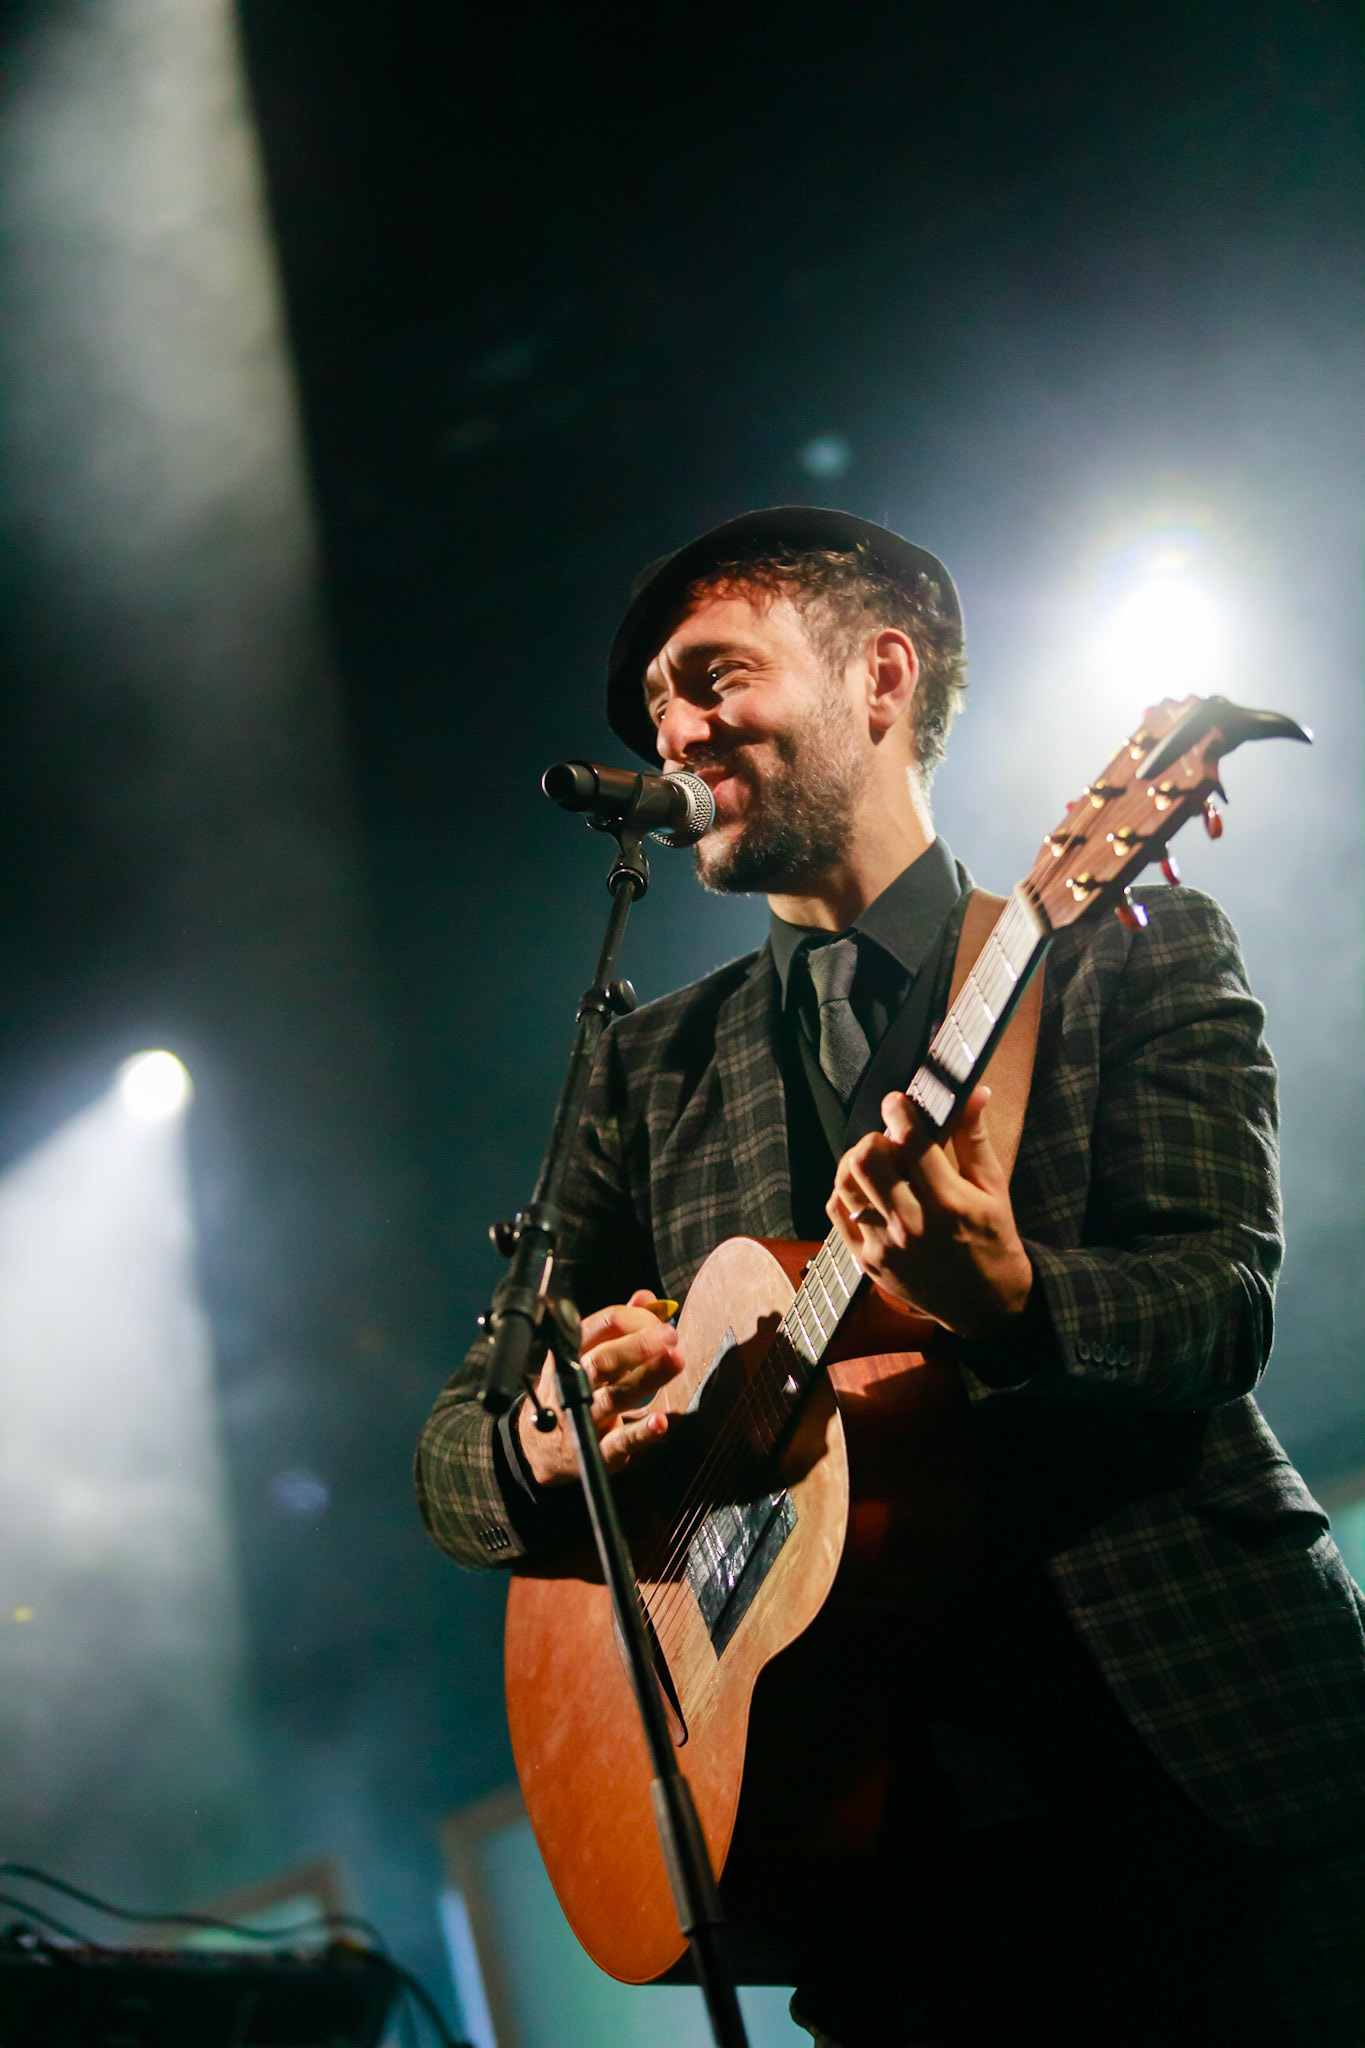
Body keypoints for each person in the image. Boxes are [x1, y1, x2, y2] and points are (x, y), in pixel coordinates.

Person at [417, 507, 1365, 2045]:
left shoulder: (1123, 948)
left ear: (877, 675)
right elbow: (449, 1462)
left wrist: (1012, 1301)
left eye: (712, 674)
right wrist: (554, 1433)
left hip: (1204, 1785)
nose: (675, 725)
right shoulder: (644, 1071)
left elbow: (1220, 1305)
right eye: (654, 705)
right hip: (869, 1868)